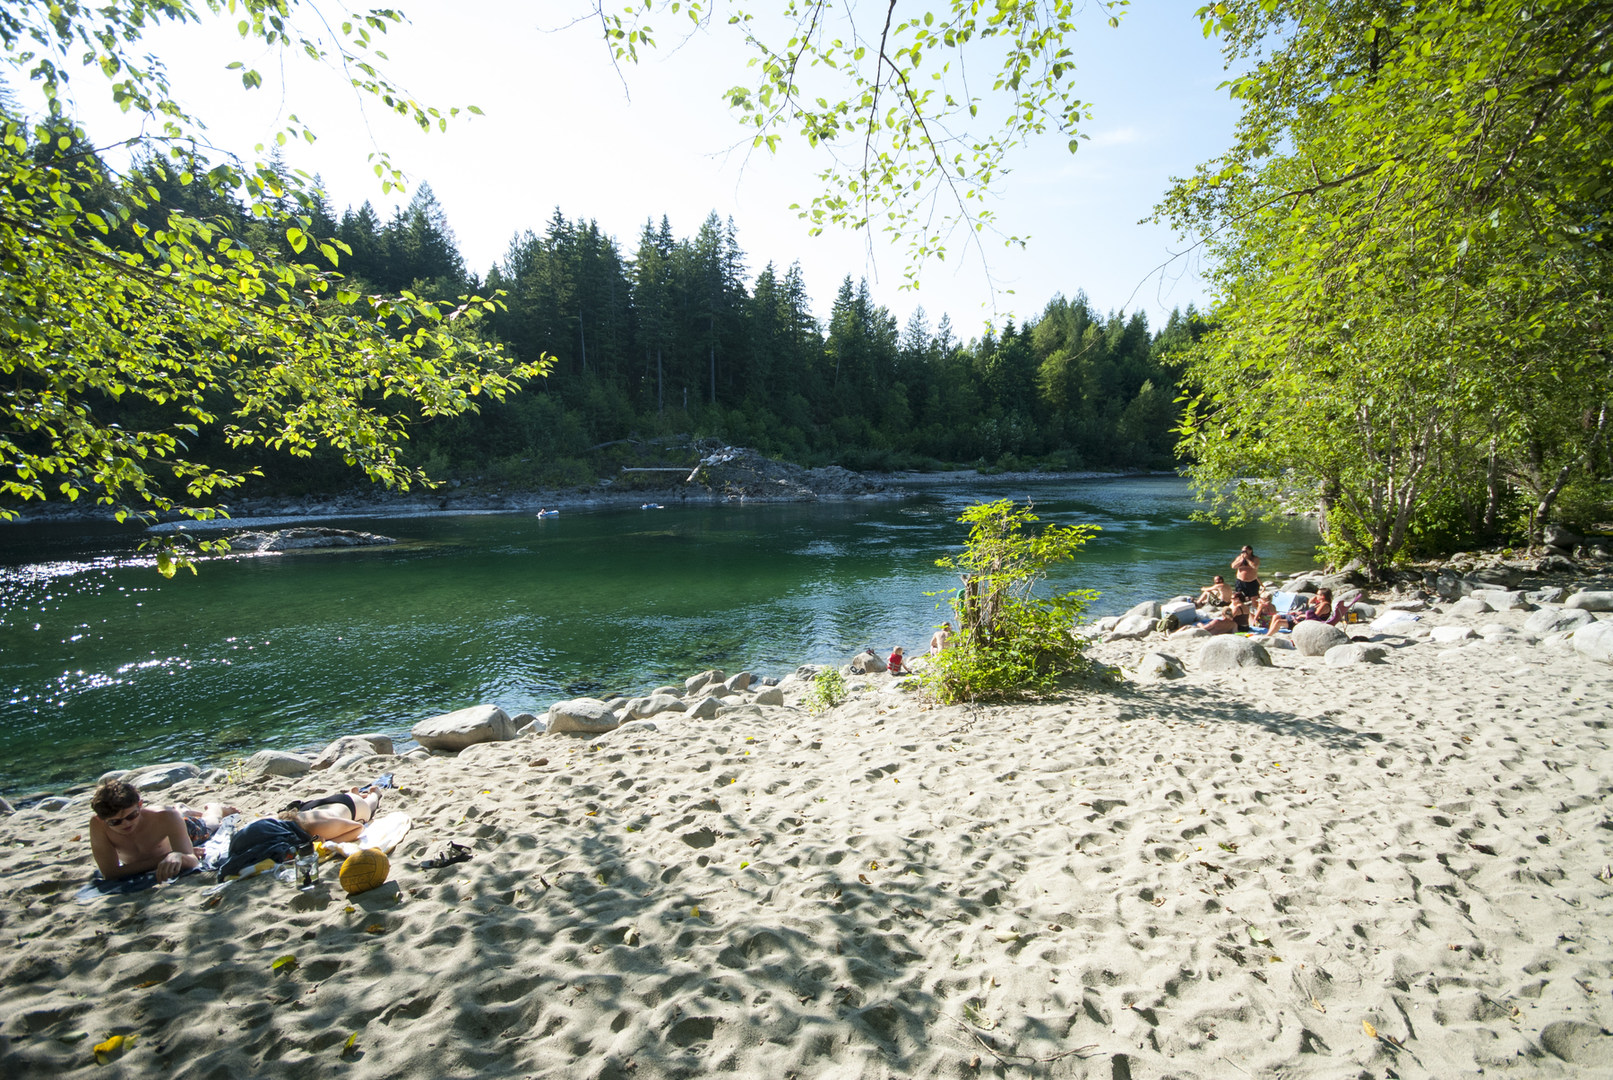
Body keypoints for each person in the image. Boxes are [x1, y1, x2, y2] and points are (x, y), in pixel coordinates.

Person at [89, 778, 237, 882]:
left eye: (132, 815)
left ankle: (215, 807)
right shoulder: (97, 825)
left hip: (185, 828)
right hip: (169, 836)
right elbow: (110, 873)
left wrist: (181, 856)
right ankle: (182, 810)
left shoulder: (166, 817)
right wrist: (168, 857)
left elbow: (192, 862)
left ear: (140, 805)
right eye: (115, 822)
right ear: (102, 819)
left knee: (211, 823)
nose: (125, 824)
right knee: (177, 816)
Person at [279, 786, 383, 843]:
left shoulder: (319, 826)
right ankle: (353, 793)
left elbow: (358, 828)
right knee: (341, 809)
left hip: (350, 804)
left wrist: (330, 843)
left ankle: (375, 793)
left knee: (369, 807)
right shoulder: (282, 820)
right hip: (315, 806)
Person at [1265, 587, 1332, 635]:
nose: (1316, 596)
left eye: (1317, 594)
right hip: (1302, 617)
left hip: (1305, 621)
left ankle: (1268, 635)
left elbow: (1314, 616)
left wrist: (1301, 615)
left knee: (1278, 622)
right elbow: (1310, 609)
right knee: (1276, 616)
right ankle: (1270, 632)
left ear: (1322, 596)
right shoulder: (1320, 603)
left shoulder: (1324, 605)